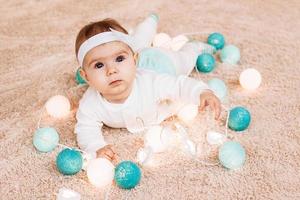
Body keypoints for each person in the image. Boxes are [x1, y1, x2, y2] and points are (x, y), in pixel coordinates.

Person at [74, 14, 221, 162]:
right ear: (85, 76)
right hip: (140, 57)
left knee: (185, 59)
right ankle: (148, 24)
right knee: (138, 43)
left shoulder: (151, 83)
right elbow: (86, 128)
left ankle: (192, 47)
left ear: (134, 60)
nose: (111, 70)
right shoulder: (90, 103)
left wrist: (201, 92)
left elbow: (179, 85)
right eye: (99, 65)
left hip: (163, 62)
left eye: (119, 59)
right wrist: (96, 147)